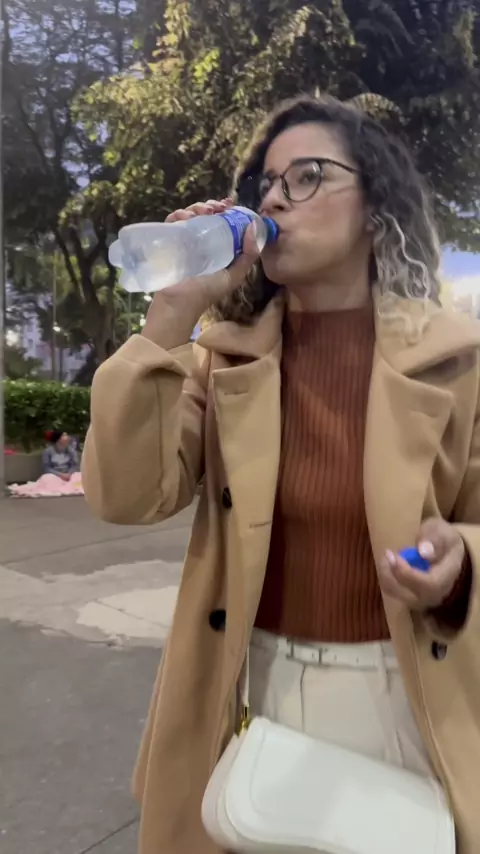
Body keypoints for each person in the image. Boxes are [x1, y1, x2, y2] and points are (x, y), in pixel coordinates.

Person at [82, 95, 480, 854]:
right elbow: (127, 497)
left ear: (375, 210)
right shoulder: (224, 358)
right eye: (267, 182)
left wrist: (459, 562)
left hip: (412, 698)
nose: (273, 199)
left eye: (307, 176)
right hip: (247, 691)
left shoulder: (458, 362)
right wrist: (172, 315)